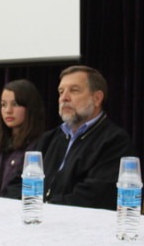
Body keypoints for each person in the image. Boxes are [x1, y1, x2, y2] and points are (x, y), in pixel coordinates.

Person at [33, 66, 134, 210]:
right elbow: (19, 183)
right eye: (61, 92)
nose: (64, 98)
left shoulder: (115, 141)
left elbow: (94, 197)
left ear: (97, 98)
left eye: (74, 90)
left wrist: (44, 208)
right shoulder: (48, 139)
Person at [0, 79, 46, 198]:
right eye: (3, 105)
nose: (8, 111)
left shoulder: (39, 145)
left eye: (15, 104)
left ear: (30, 107)